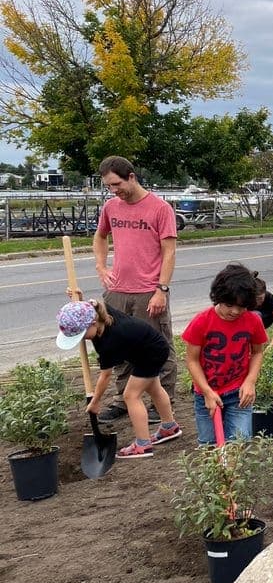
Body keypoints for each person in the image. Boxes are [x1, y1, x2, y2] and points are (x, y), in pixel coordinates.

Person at [93, 156, 178, 424]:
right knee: (118, 345)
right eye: (108, 186)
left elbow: (169, 251)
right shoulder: (111, 207)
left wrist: (161, 289)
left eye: (116, 184)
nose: (113, 190)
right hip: (117, 291)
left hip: (148, 292)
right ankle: (124, 399)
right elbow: (100, 236)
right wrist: (101, 267)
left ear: (131, 177)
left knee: (157, 345)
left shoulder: (160, 208)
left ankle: (161, 402)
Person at [55, 298, 180, 459]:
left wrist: (95, 401)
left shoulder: (109, 343)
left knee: (130, 396)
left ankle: (143, 444)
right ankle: (169, 427)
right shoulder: (99, 310)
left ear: (93, 323)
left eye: (82, 335)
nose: (82, 339)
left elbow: (105, 376)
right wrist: (78, 298)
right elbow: (86, 308)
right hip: (150, 347)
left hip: (150, 354)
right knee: (154, 388)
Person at [182, 263, 268, 445]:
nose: (235, 311)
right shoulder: (201, 322)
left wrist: (250, 381)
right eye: (229, 305)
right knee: (209, 446)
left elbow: (257, 352)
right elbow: (191, 360)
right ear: (218, 297)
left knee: (239, 443)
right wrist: (207, 392)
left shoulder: (253, 321)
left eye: (242, 306)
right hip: (206, 394)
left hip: (239, 394)